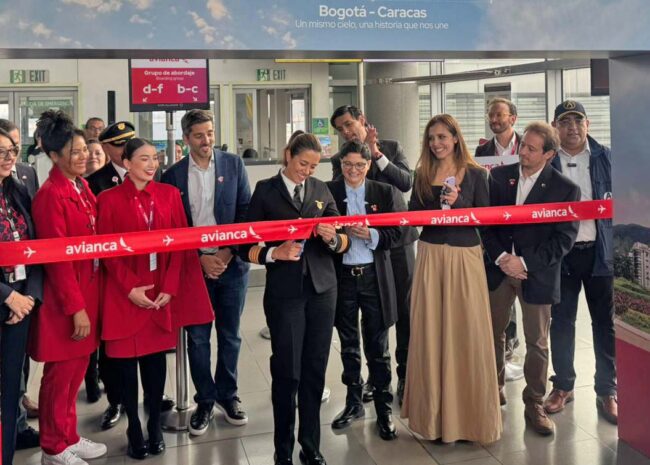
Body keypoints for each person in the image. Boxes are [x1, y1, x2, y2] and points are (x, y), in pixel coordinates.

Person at [97, 138, 214, 459]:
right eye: (144, 159)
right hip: (125, 294)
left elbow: (180, 244)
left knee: (154, 364)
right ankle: (134, 427)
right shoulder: (108, 199)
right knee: (125, 366)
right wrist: (130, 288)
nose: (152, 165)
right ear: (127, 162)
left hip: (160, 293)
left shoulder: (169, 195)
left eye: (155, 158)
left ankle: (153, 427)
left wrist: (170, 287)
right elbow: (107, 251)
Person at [240, 133, 349, 465]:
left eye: (314, 166)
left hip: (322, 290)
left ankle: (311, 444)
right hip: (285, 293)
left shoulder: (320, 189)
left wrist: (332, 238)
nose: (308, 171)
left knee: (315, 369)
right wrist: (275, 253)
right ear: (288, 155)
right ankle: (283, 448)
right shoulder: (265, 191)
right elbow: (245, 244)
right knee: (287, 372)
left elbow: (342, 237)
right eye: (303, 164)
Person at [401, 114, 501, 444]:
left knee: (466, 332)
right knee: (431, 331)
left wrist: (460, 204)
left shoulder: (477, 174)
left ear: (456, 137)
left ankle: (470, 420)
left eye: (442, 137)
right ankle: (433, 420)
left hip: (465, 258)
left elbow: (485, 220)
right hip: (430, 256)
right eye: (431, 138)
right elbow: (414, 215)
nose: (436, 143)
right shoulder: (421, 174)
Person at [482, 121, 580, 436]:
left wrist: (523, 262)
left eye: (531, 149)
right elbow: (486, 224)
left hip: (535, 275)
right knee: (491, 333)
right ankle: (493, 388)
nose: (522, 151)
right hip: (498, 270)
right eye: (523, 145)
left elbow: (564, 240)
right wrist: (502, 258)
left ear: (549, 154)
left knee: (537, 342)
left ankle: (534, 402)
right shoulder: (499, 177)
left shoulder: (565, 189)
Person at [162, 110, 251, 436]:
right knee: (198, 339)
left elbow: (245, 212)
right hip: (194, 267)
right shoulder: (173, 175)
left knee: (230, 334)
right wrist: (200, 258)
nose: (206, 140)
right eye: (199, 135)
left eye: (210, 133)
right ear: (186, 138)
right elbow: (173, 225)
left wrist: (226, 253)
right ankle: (205, 400)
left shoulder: (233, 165)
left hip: (231, 265)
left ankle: (228, 395)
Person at [29, 110, 107, 465]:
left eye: (84, 150)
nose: (83, 156)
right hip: (66, 300)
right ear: (53, 155)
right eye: (75, 152)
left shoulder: (81, 186)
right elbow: (57, 260)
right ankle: (52, 446)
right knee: (59, 375)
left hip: (88, 291)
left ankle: (69, 435)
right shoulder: (51, 196)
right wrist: (76, 308)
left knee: (76, 370)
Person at [330, 104, 417, 405]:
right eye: (340, 129)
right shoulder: (341, 159)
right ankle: (371, 381)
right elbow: (341, 195)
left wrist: (376, 154)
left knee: (401, 310)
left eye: (349, 124)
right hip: (360, 252)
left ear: (362, 120)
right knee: (368, 319)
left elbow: (405, 183)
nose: (346, 131)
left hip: (396, 246)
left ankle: (405, 373)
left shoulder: (390, 147)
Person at [544, 100, 617, 424]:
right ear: (555, 127)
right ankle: (563, 385)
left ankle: (607, 390)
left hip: (601, 252)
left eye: (577, 120)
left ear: (587, 124)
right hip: (562, 255)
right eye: (564, 122)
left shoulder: (606, 158)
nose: (571, 127)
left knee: (605, 323)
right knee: (561, 322)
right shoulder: (547, 162)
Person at [326, 140, 401, 440]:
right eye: (348, 164)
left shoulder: (385, 192)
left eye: (359, 165)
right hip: (342, 277)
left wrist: (371, 234)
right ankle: (354, 403)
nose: (353, 170)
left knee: (378, 346)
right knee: (348, 344)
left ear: (369, 165)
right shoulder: (328, 191)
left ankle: (384, 408)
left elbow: (399, 232)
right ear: (340, 165)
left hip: (373, 277)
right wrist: (335, 236)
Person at [85, 121, 135, 430]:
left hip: (144, 269)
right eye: (118, 145)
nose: (126, 149)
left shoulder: (150, 172)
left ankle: (149, 393)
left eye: (129, 142)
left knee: (145, 335)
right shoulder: (95, 183)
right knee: (112, 340)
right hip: (111, 274)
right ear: (105, 148)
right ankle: (116, 399)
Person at [0, 127, 43, 465]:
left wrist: (28, 297)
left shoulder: (18, 190)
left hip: (21, 305)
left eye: (12, 150)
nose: (9, 157)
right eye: (1, 151)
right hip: (5, 299)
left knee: (11, 390)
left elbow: (38, 246)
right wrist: (7, 296)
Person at [475, 98, 524, 383]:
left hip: (524, 232)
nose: (494, 120)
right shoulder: (482, 151)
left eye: (499, 115)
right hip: (495, 232)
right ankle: (500, 361)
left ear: (512, 118)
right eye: (490, 115)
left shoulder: (527, 145)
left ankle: (512, 349)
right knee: (500, 300)